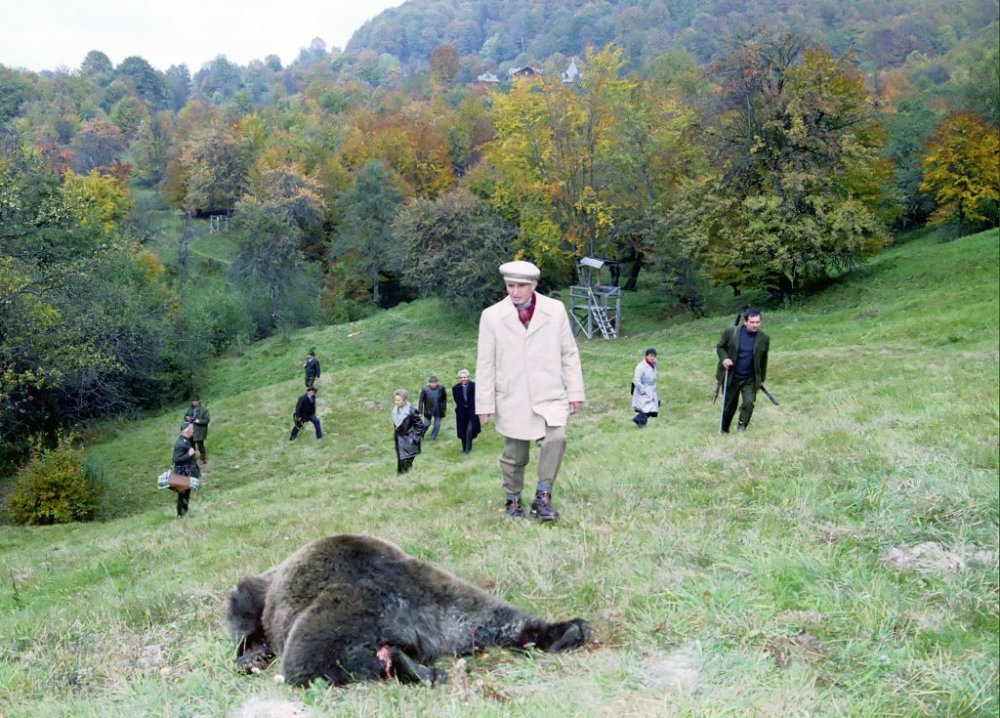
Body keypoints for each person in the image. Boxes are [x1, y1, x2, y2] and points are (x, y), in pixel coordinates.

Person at [476, 260, 585, 521]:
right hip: (512, 396)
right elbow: (485, 362)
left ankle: (542, 498)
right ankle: (513, 500)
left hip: (550, 393)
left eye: (521, 286)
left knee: (556, 440)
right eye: (510, 285)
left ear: (534, 285)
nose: (515, 291)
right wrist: (484, 405)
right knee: (515, 455)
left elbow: (569, 352)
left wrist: (575, 392)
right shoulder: (492, 316)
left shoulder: (555, 310)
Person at [716, 307, 771, 433]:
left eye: (758, 322)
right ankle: (724, 429)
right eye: (752, 322)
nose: (755, 325)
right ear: (745, 322)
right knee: (729, 406)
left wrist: (761, 379)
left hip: (750, 379)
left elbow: (764, 359)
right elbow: (720, 347)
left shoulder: (764, 338)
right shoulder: (732, 333)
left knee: (748, 403)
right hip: (731, 376)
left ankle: (742, 426)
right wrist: (724, 359)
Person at [391, 389, 425, 474]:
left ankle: (407, 481)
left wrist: (415, 438)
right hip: (399, 441)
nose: (396, 402)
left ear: (404, 400)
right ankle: (399, 480)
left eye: (398, 400)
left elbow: (419, 424)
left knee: (406, 464)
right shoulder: (395, 410)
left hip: (409, 441)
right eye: (395, 400)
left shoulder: (411, 410)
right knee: (400, 463)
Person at [172, 422, 200, 518]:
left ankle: (184, 513)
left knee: (185, 493)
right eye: (192, 429)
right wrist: (189, 454)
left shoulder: (184, 440)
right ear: (187, 430)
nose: (193, 431)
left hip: (185, 472)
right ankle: (181, 515)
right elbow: (177, 459)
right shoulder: (181, 443)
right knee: (183, 494)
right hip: (183, 473)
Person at [452, 369, 481, 454]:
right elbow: (456, 399)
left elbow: (478, 398)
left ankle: (468, 449)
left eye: (465, 377)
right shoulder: (455, 388)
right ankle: (464, 448)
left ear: (468, 377)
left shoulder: (474, 386)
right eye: (461, 377)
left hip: (472, 411)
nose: (463, 379)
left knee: (470, 430)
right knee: (463, 431)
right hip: (461, 412)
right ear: (459, 378)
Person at [631, 348, 659, 427]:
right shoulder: (640, 367)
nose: (652, 358)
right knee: (646, 408)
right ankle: (640, 422)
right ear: (646, 356)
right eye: (650, 356)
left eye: (654, 356)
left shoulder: (654, 364)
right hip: (643, 389)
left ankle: (639, 421)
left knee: (653, 408)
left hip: (651, 389)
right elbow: (636, 380)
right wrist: (643, 390)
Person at [417, 375, 447, 441]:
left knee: (437, 425)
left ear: (437, 382)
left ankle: (432, 438)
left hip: (438, 410)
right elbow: (421, 401)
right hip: (428, 410)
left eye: (435, 382)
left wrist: (443, 408)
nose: (433, 384)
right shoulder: (425, 389)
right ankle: (420, 435)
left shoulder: (441, 388)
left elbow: (444, 399)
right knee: (426, 424)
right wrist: (420, 412)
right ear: (429, 383)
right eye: (432, 383)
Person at [183, 395, 211, 463]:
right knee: (190, 445)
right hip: (191, 430)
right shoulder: (190, 409)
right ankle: (192, 458)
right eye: (193, 401)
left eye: (195, 401)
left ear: (199, 401)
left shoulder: (204, 410)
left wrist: (198, 421)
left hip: (199, 430)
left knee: (200, 445)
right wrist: (188, 418)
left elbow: (207, 420)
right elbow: (185, 416)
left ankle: (203, 459)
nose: (194, 402)